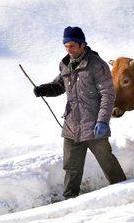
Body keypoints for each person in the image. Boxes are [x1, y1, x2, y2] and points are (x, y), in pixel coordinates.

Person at [33, 26, 126, 199]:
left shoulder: (97, 65)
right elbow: (59, 84)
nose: (69, 50)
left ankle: (125, 191)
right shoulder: (65, 64)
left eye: (72, 46)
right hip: (71, 126)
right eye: (66, 46)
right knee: (71, 168)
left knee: (107, 162)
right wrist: (44, 89)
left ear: (82, 45)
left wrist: (103, 121)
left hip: (93, 125)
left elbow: (108, 94)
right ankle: (70, 200)